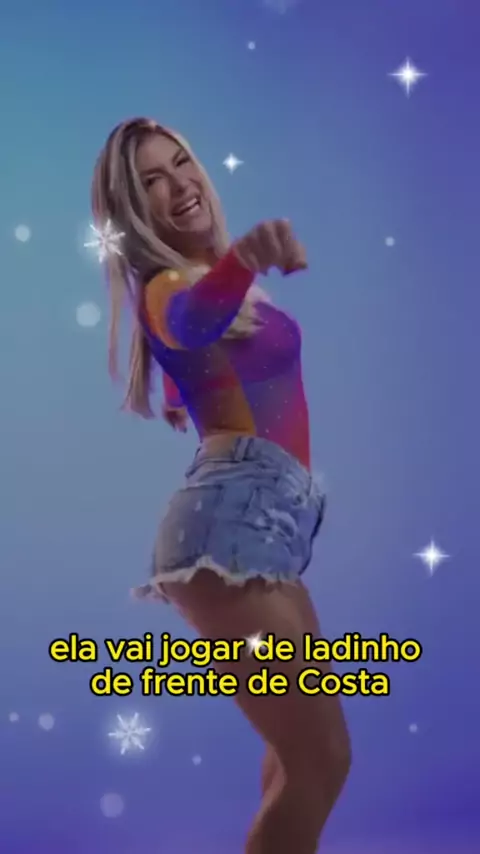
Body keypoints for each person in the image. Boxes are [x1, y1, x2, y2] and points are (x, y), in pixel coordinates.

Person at [91, 117, 351, 854]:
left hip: (270, 525)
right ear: (133, 212)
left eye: (181, 164)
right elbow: (189, 320)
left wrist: (187, 386)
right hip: (229, 527)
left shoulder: (204, 282)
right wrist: (247, 256)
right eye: (151, 182)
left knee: (292, 758)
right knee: (321, 758)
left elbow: (200, 349)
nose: (179, 185)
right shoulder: (169, 285)